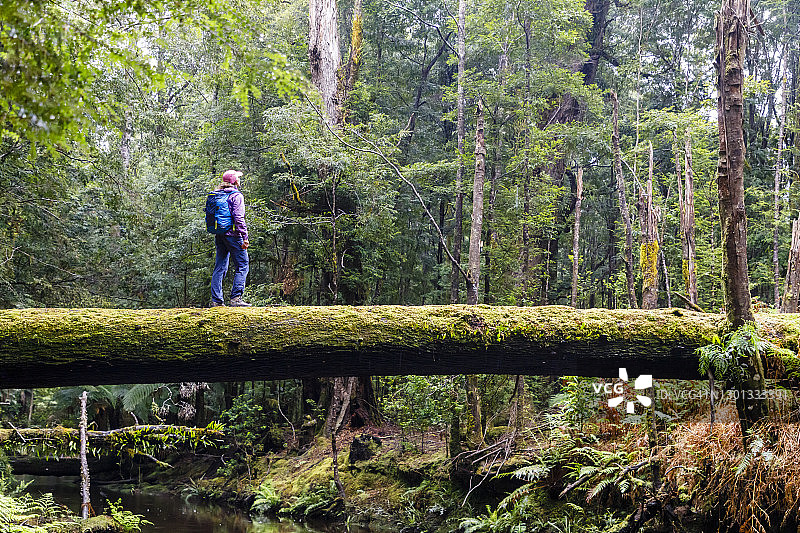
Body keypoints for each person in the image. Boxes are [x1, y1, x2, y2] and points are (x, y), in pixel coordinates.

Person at [210, 170, 251, 307]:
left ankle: (216, 300)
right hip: (234, 236)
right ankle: (235, 299)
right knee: (243, 264)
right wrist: (244, 236)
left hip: (220, 234)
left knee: (220, 266)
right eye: (238, 178)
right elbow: (238, 218)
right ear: (234, 181)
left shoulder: (217, 194)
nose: (239, 180)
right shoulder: (236, 196)